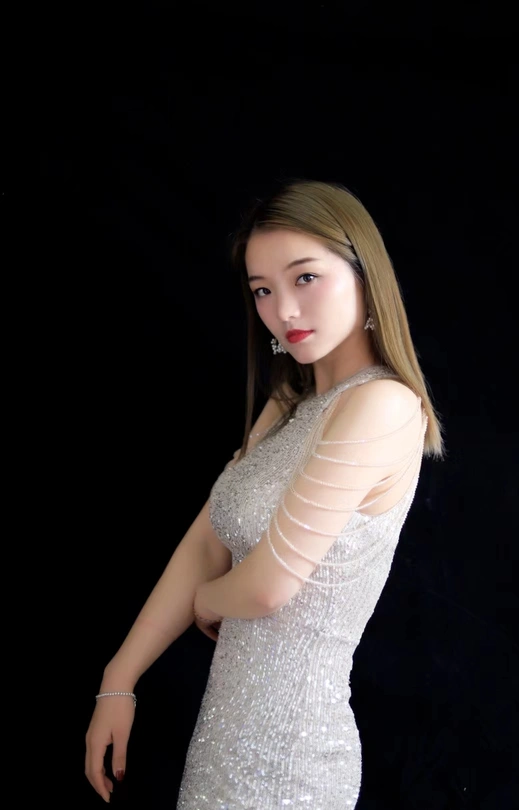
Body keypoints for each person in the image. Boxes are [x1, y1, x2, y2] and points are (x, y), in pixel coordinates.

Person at [85, 178, 444, 808]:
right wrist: (120, 678)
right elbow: (207, 540)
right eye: (263, 290)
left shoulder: (383, 404)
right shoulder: (287, 403)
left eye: (305, 277)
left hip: (291, 758)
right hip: (223, 737)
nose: (285, 311)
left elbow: (268, 586)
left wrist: (207, 599)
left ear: (365, 275)